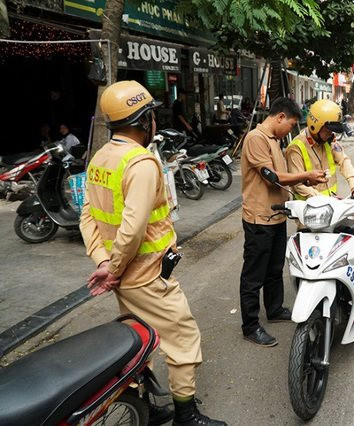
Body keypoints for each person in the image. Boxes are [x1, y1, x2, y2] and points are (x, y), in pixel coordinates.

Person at [80, 80, 226, 426]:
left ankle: (145, 404)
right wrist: (113, 267)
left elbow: (89, 214)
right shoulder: (141, 163)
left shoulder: (100, 157)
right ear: (145, 121)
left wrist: (102, 261)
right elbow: (131, 229)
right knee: (183, 338)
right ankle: (186, 416)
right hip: (144, 274)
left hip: (122, 275)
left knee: (138, 339)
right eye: (152, 116)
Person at [240, 97, 327, 347]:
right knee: (254, 274)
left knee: (275, 267)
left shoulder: (274, 140)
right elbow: (271, 177)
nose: (291, 130)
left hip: (277, 214)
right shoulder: (256, 138)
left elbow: (282, 179)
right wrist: (305, 175)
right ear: (279, 117)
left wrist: (305, 181)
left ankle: (275, 308)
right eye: (290, 124)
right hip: (259, 218)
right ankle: (250, 325)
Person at [285, 99, 354, 201]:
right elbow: (298, 185)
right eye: (328, 130)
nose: (331, 133)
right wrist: (325, 199)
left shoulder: (328, 141)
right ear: (315, 126)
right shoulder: (296, 148)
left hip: (330, 207)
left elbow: (343, 160)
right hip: (309, 210)